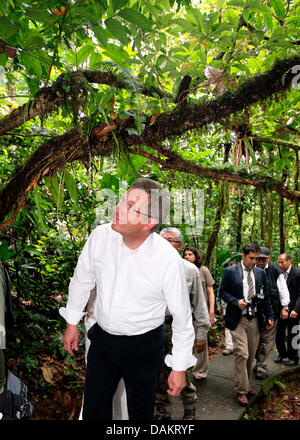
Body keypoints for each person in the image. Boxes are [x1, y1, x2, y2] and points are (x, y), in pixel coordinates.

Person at [59, 178, 196, 420]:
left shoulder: (167, 260)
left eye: (132, 207)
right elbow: (82, 280)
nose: (119, 209)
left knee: (139, 411)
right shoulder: (99, 237)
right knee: (93, 409)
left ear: (149, 223)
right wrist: (71, 322)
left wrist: (179, 367)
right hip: (103, 339)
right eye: (123, 200)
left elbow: (182, 317)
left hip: (144, 344)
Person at [154, 227, 210, 420]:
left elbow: (199, 304)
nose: (164, 243)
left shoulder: (189, 270)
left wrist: (202, 334)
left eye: (169, 240)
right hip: (153, 327)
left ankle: (189, 405)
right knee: (158, 372)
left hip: (177, 327)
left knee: (180, 370)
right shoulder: (149, 266)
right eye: (161, 239)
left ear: (178, 245)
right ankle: (162, 412)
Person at [219, 243, 274, 407]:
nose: (254, 261)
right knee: (242, 353)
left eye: (256, 258)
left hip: (254, 319)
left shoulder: (260, 273)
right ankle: (241, 390)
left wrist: (270, 315)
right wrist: (236, 302)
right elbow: (222, 291)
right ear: (243, 255)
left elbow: (266, 296)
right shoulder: (230, 272)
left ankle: (246, 384)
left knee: (251, 354)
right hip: (237, 318)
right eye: (251, 258)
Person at [79, 287, 129, 420]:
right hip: (96, 321)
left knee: (124, 387)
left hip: (130, 326)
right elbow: (83, 280)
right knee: (96, 386)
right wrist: (71, 321)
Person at [253, 247, 290, 379]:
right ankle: (257, 361)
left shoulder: (275, 271)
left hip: (271, 311)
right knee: (255, 340)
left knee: (267, 341)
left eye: (263, 259)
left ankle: (261, 366)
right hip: (255, 312)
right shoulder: (252, 268)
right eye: (259, 258)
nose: (260, 261)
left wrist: (285, 307)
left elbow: (283, 289)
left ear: (268, 258)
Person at [183, 246, 215, 381]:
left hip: (201, 310)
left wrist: (211, 311)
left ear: (196, 256)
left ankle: (200, 370)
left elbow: (210, 292)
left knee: (201, 341)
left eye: (190, 254)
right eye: (185, 254)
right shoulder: (181, 270)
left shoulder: (204, 270)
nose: (187, 256)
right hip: (186, 311)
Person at [276, 253, 300, 366]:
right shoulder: (278, 273)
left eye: (282, 262)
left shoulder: (297, 273)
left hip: (294, 308)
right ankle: (282, 354)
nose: (280, 264)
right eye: (279, 262)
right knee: (279, 333)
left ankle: (294, 357)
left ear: (289, 261)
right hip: (281, 309)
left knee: (294, 333)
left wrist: (296, 309)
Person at [216, 261, 236, 356]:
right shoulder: (224, 278)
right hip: (226, 306)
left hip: (238, 305)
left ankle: (237, 345)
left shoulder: (242, 277)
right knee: (228, 326)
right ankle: (229, 346)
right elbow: (220, 292)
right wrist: (218, 304)